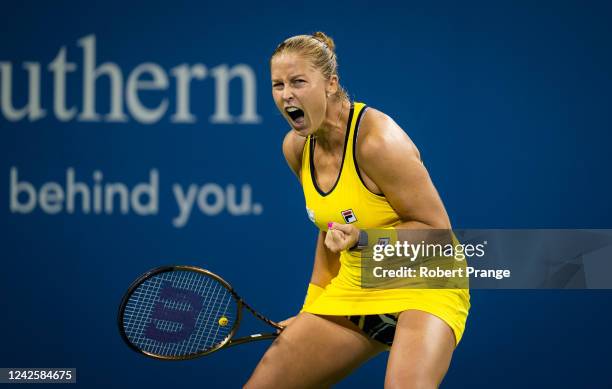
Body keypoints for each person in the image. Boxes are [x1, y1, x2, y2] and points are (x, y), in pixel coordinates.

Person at [245, 32, 470, 389]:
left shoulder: (378, 142)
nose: (286, 94)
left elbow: (436, 230)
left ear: (331, 84)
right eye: (277, 84)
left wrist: (365, 239)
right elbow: (328, 229)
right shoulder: (296, 148)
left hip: (427, 282)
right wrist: (311, 311)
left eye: (298, 82)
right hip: (357, 285)